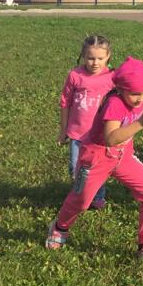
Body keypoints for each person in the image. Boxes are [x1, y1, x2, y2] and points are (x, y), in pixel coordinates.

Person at [46, 57, 143, 261]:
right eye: (135, 94)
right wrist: (140, 123)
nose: (141, 98)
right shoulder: (114, 103)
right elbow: (111, 138)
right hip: (96, 158)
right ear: (120, 89)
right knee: (81, 201)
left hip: (123, 157)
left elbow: (141, 105)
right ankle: (59, 228)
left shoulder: (135, 98)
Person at [58, 34, 116, 212]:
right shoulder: (75, 75)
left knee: (96, 169)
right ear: (83, 56)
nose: (95, 63)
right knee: (75, 168)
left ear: (108, 56)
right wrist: (63, 130)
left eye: (100, 58)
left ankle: (97, 197)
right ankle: (81, 195)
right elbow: (65, 103)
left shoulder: (112, 77)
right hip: (77, 134)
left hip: (99, 135)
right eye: (90, 58)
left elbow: (122, 102)